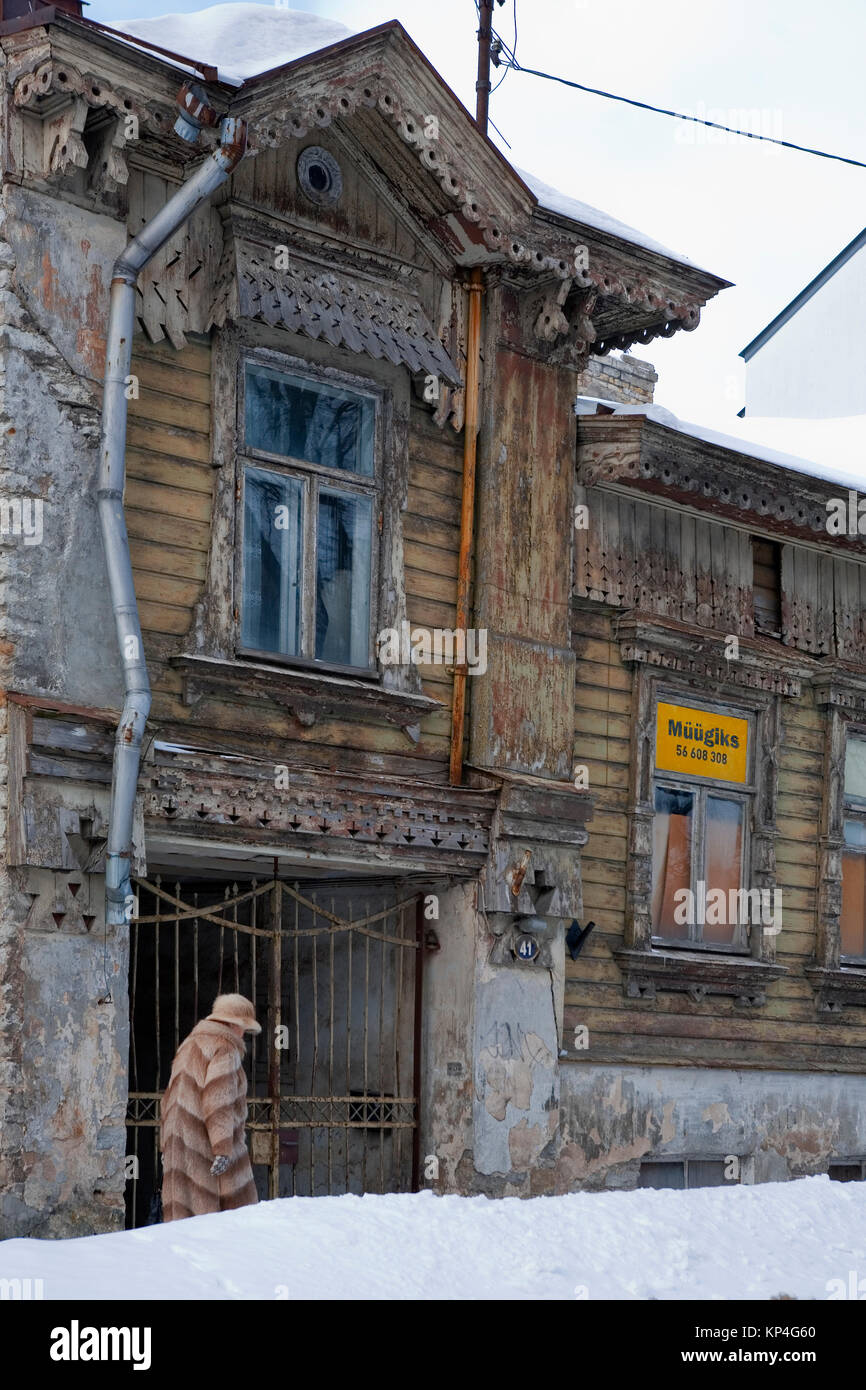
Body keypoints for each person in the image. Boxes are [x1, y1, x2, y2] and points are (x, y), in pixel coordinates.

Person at [159, 993, 261, 1222]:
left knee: (184, 1218)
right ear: (233, 1024)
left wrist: (165, 1144)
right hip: (206, 1144)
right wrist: (223, 1148)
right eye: (243, 1027)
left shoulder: (189, 1044)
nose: (243, 1034)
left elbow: (168, 1098)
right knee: (221, 1224)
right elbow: (219, 1100)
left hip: (181, 1140)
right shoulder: (224, 1047)